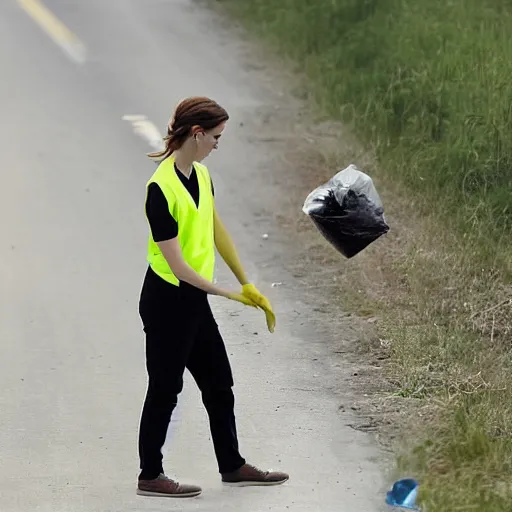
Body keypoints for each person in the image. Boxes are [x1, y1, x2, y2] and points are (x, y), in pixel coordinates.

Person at [136, 96, 289, 498]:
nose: (220, 144)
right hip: (168, 300)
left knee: (219, 383)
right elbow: (178, 265)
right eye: (216, 136)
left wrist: (246, 281)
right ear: (197, 133)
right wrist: (229, 295)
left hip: (193, 301)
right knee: (166, 389)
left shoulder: (201, 176)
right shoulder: (160, 189)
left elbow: (215, 229)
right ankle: (150, 475)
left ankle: (232, 465)